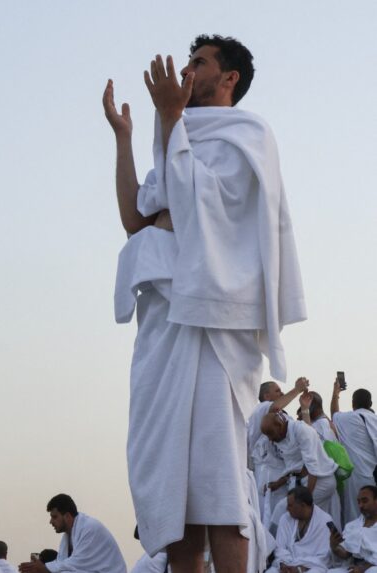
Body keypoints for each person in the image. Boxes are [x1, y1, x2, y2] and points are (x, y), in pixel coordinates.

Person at [104, 32, 306, 572]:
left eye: (199, 62)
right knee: (175, 493)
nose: (188, 72)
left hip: (214, 320)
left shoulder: (247, 135)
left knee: (218, 484)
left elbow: (202, 207)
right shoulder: (176, 137)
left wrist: (171, 118)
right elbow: (136, 219)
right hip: (164, 318)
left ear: (229, 77)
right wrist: (125, 138)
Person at [262, 412, 342, 526]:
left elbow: (313, 468)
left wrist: (305, 498)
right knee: (302, 521)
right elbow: (294, 468)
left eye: (270, 434)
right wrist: (277, 484)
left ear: (279, 425)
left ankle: (272, 538)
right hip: (303, 484)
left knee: (285, 512)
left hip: (320, 483)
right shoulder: (280, 437)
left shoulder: (301, 430)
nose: (270, 439)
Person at [249, 379, 310, 525]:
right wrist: (297, 389)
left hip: (284, 477)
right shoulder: (261, 409)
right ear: (266, 396)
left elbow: (308, 433)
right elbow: (275, 406)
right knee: (266, 520)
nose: (282, 393)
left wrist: (305, 409)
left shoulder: (284, 417)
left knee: (284, 520)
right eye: (277, 391)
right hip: (266, 475)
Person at [18, 494, 126, 573]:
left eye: (54, 517)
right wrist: (39, 569)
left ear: (67, 516)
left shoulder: (90, 528)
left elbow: (77, 564)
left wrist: (45, 568)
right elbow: (61, 564)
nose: (51, 522)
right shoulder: (66, 537)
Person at [331, 381, 377, 524]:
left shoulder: (347, 419)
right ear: (370, 403)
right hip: (374, 475)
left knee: (355, 515)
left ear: (353, 403)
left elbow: (334, 414)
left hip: (355, 478)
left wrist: (336, 393)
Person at [266, 487, 333, 573]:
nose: (287, 509)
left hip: (312, 567)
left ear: (303, 505)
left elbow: (324, 557)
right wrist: (284, 565)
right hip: (287, 564)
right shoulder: (285, 518)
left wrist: (300, 569)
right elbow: (280, 548)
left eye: (290, 505)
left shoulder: (325, 521)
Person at [328, 485, 377, 572]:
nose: (361, 505)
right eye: (359, 502)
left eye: (365, 501)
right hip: (354, 568)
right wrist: (334, 546)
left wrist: (362, 569)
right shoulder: (352, 526)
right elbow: (346, 554)